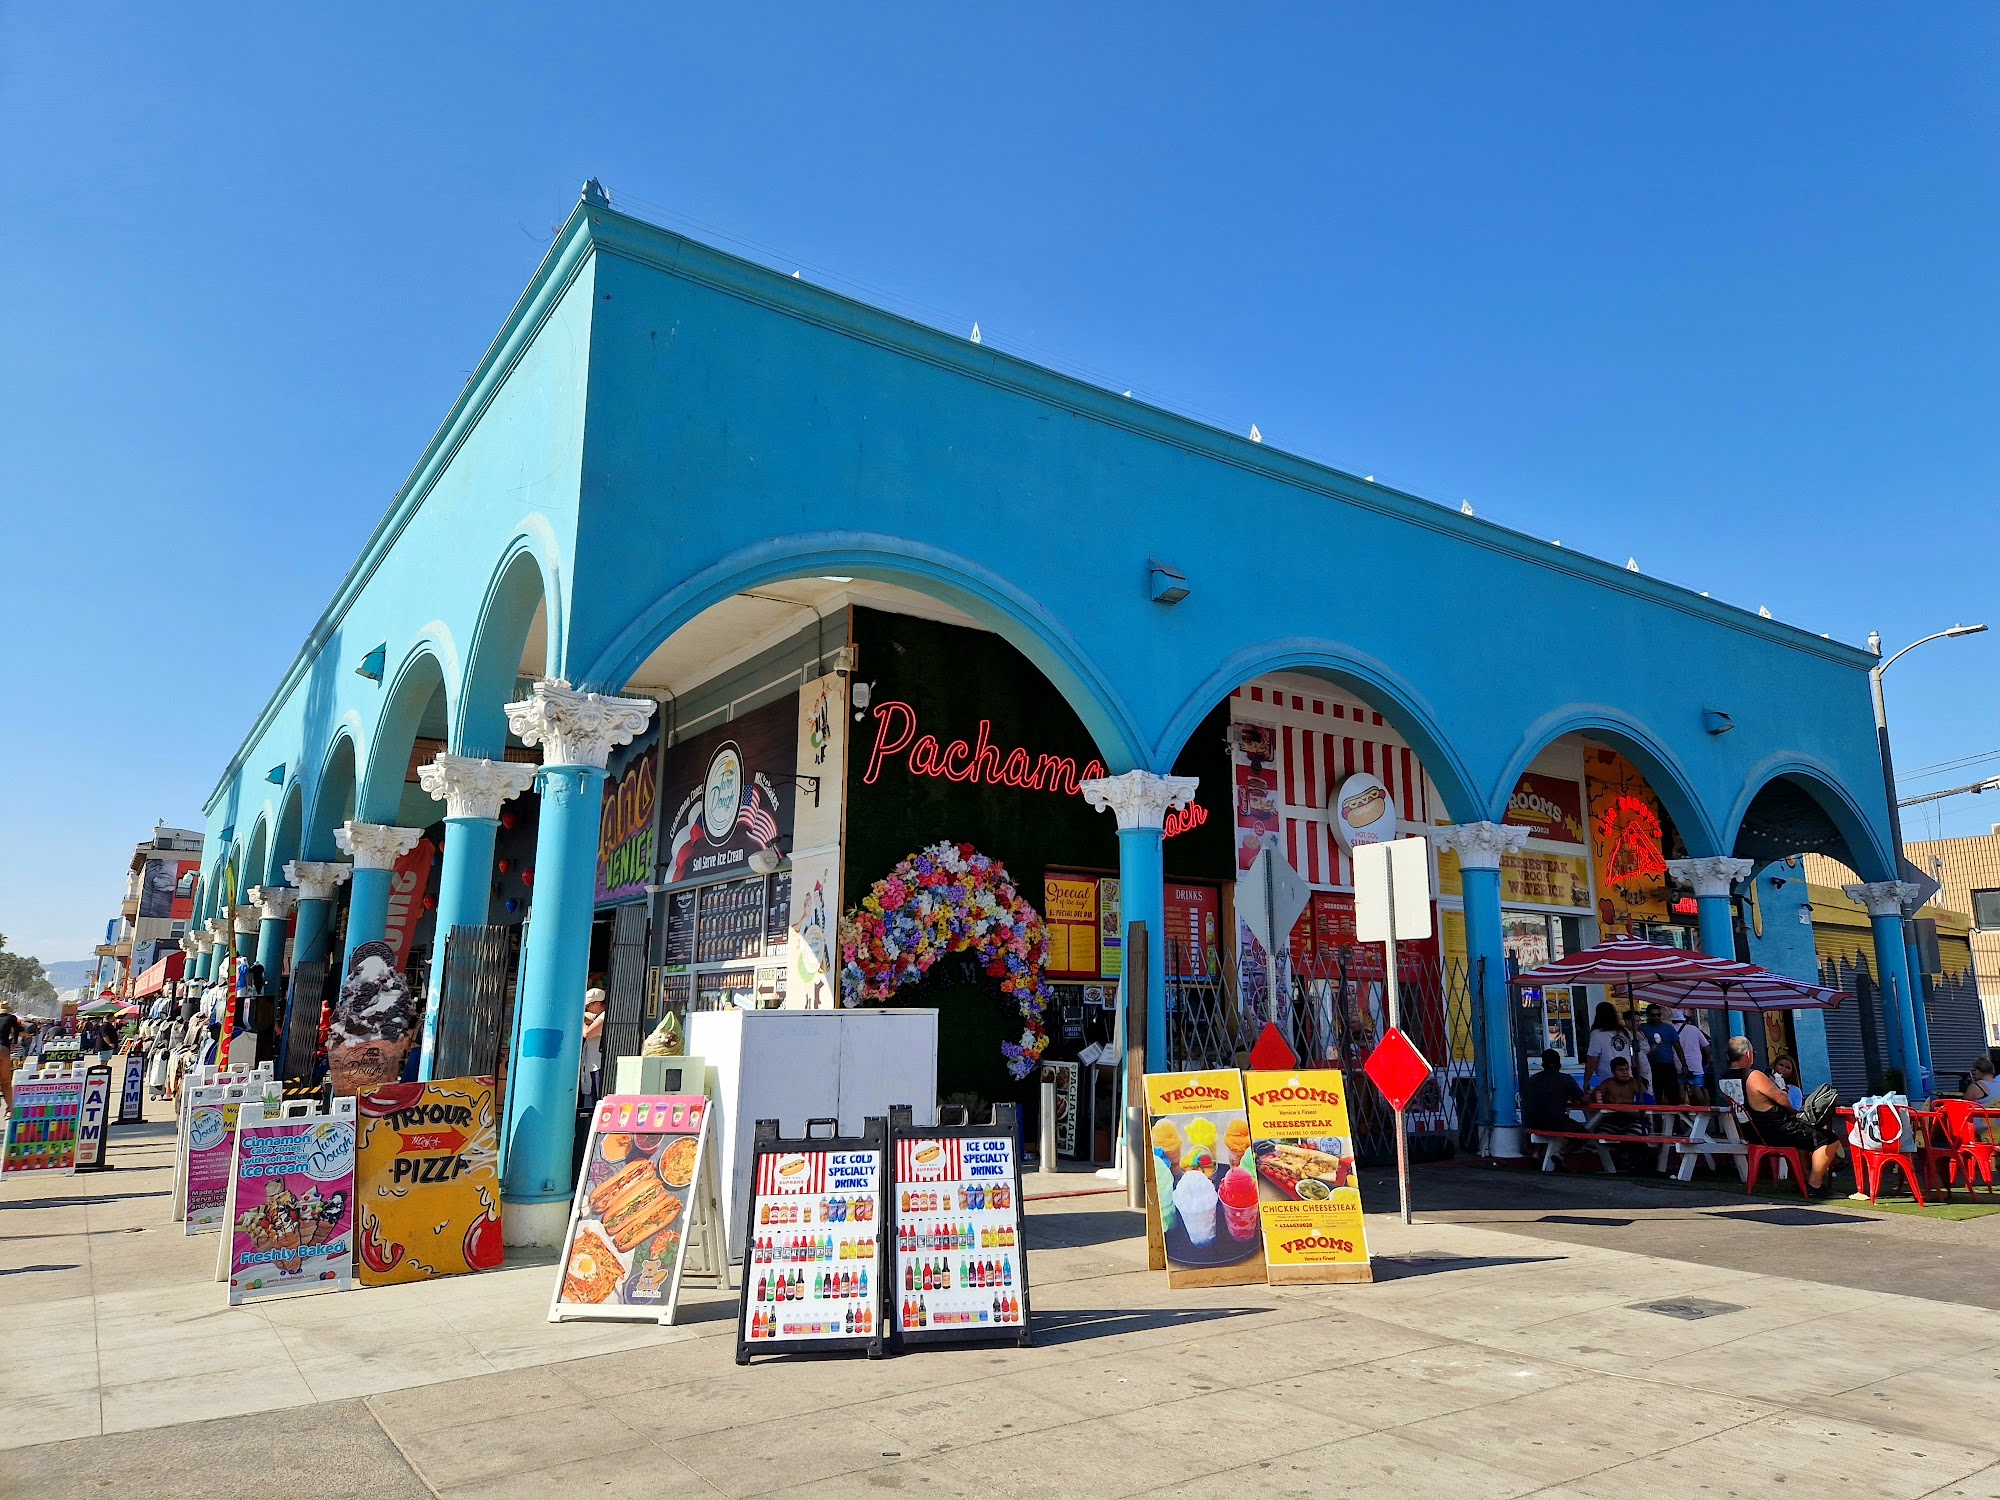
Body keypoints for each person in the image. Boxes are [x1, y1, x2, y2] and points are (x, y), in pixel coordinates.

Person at [1727, 1035, 1839, 1195]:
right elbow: (1781, 1098)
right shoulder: (1753, 1075)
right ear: (1748, 1054)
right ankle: (1815, 1186)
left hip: (1751, 1131)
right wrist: (1794, 1111)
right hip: (1776, 1129)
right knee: (1829, 1140)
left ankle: (1804, 1180)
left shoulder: (1724, 1077)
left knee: (1805, 1138)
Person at [1585, 1001, 1649, 1091]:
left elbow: (1592, 1061)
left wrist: (1586, 1081)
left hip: (1606, 1080)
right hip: (1627, 1077)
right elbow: (1633, 1055)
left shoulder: (1597, 1034)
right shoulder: (1624, 1032)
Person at [1522, 1049, 1585, 1135]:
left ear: (1543, 1065)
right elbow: (1585, 1101)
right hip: (1557, 1123)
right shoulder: (1566, 1079)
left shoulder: (1532, 1080)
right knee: (1584, 1135)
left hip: (1533, 1124)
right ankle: (1564, 1149)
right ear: (1559, 1065)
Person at [1638, 1005, 1685, 1106]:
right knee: (1655, 1094)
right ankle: (1657, 1120)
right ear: (1647, 1015)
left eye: (1658, 1015)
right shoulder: (1642, 1029)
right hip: (1651, 1067)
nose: (1656, 1017)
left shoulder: (1668, 1028)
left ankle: (1676, 1119)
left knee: (1673, 1095)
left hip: (1668, 1065)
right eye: (1653, 1015)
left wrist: (1684, 1065)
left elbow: (1678, 1047)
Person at [579, 987, 608, 1105]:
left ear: (597, 1003)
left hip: (599, 1065)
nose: (587, 1009)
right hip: (593, 1064)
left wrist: (580, 1021)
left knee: (597, 1099)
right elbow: (589, 1018)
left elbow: (588, 1033)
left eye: (588, 1006)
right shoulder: (597, 1016)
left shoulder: (605, 1016)